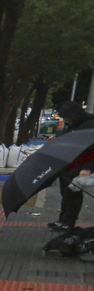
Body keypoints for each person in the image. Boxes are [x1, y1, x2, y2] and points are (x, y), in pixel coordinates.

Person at [50, 96, 94, 231]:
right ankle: (62, 219)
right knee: (65, 191)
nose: (66, 120)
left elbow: (91, 148)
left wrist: (87, 168)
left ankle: (69, 221)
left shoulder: (89, 124)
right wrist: (56, 140)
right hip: (68, 162)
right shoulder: (72, 125)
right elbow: (69, 140)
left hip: (80, 163)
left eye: (67, 117)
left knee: (73, 193)